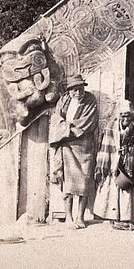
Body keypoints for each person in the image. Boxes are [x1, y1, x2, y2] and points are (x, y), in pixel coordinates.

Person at [48, 74, 99, 228]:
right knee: (67, 184)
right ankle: (69, 218)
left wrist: (68, 128)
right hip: (67, 146)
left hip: (84, 147)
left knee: (84, 183)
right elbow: (57, 119)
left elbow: (89, 122)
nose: (78, 93)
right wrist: (69, 128)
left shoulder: (90, 101)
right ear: (69, 90)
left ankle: (80, 217)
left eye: (80, 89)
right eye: (74, 90)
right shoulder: (64, 101)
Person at [93, 99, 134, 224]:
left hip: (129, 160)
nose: (125, 118)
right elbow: (105, 144)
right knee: (111, 186)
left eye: (128, 115)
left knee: (129, 186)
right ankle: (112, 217)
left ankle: (128, 217)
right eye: (122, 115)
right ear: (118, 115)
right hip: (113, 160)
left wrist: (129, 150)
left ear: (132, 115)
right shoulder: (111, 126)